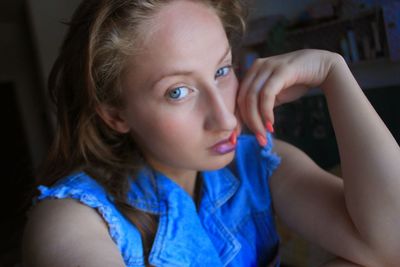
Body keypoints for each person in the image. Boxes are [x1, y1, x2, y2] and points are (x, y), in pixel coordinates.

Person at [22, 0, 400, 266]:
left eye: (222, 71)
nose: (225, 118)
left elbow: (390, 246)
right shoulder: (70, 219)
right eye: (178, 91)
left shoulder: (257, 163)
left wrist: (334, 75)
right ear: (115, 114)